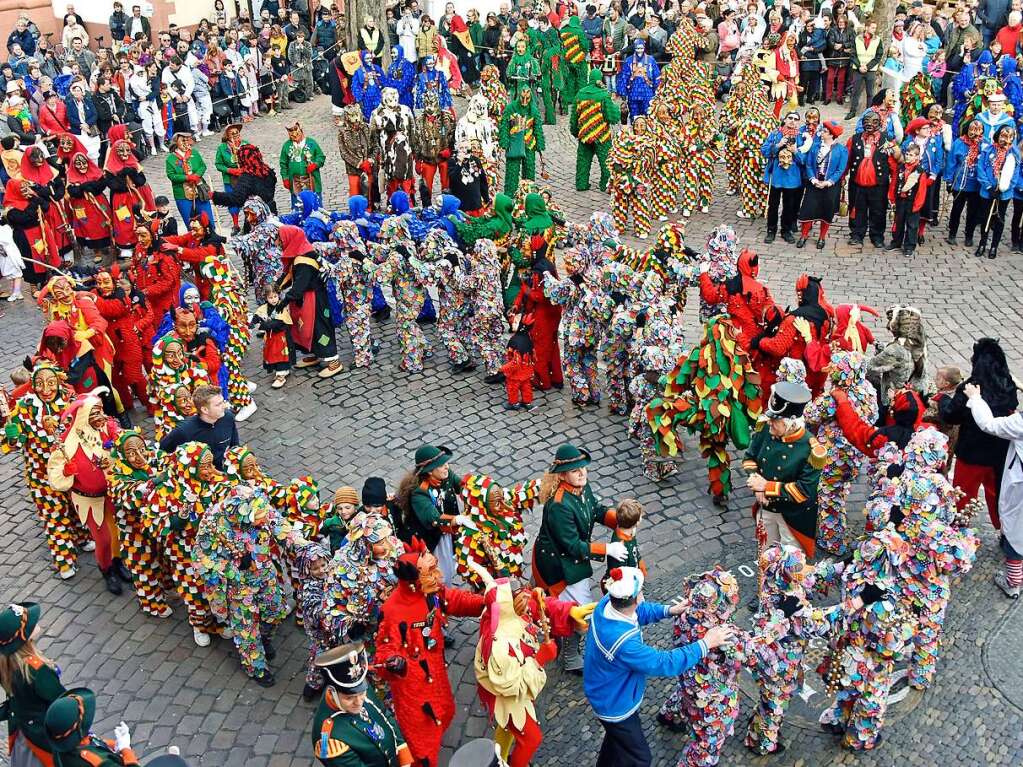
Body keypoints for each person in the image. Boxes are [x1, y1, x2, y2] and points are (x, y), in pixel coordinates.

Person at [583, 566, 735, 767]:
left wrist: (668, 610)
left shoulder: (607, 604)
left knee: (616, 744)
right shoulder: (624, 643)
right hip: (615, 705)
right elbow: (664, 663)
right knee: (639, 758)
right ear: (637, 597)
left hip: (605, 691)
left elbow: (638, 611)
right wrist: (705, 643)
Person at [374, 539, 485, 767]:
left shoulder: (430, 593)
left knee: (444, 712)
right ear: (413, 580)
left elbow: (454, 600)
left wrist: (484, 603)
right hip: (413, 686)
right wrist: (393, 663)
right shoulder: (392, 611)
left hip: (434, 669)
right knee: (422, 742)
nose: (438, 575)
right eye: (431, 571)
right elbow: (383, 652)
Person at [532, 444, 623, 672]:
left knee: (568, 610)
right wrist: (607, 549)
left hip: (571, 560)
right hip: (559, 566)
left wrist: (619, 520)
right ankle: (571, 658)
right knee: (580, 612)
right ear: (563, 475)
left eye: (583, 468)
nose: (582, 473)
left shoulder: (582, 487)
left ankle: (556, 635)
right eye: (575, 470)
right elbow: (573, 546)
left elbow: (595, 510)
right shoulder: (560, 505)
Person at [743, 380, 826, 559]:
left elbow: (803, 492)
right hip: (765, 508)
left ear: (791, 423)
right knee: (764, 556)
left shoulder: (812, 449)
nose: (770, 424)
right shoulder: (766, 429)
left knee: (791, 565)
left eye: (775, 421)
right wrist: (756, 483)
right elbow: (749, 458)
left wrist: (766, 487)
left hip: (793, 517)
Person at [311, 643, 414, 766]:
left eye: (362, 694)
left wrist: (404, 758)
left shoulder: (358, 688)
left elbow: (385, 715)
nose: (359, 701)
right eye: (349, 698)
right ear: (332, 692)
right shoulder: (330, 742)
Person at [0, 602, 66, 767]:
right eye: (31, 624)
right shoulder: (37, 670)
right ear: (25, 637)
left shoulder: (7, 665)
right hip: (45, 736)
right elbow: (61, 703)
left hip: (25, 733)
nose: (36, 622)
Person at [277, 225, 341, 377]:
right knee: (307, 329)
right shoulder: (301, 251)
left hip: (315, 301)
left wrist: (284, 301)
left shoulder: (304, 260)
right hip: (307, 299)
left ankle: (333, 362)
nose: (278, 243)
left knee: (319, 329)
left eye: (280, 239)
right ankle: (315, 354)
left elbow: (299, 286)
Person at [158, 384, 239, 469]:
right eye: (218, 404)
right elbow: (162, 451)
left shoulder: (228, 417)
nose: (224, 406)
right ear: (204, 410)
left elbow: (235, 447)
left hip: (225, 472)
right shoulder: (183, 431)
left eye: (223, 401)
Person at [974, 123, 1018, 259]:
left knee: (999, 218)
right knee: (985, 216)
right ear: (998, 136)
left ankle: (994, 246)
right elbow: (980, 169)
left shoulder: (1014, 154)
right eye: (1004, 136)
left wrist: (1005, 188)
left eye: (1010, 137)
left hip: (1003, 194)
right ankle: (982, 242)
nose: (1006, 140)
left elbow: (1014, 176)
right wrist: (988, 186)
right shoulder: (988, 150)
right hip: (988, 191)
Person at [761, 111, 806, 244]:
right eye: (790, 118)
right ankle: (771, 230)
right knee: (773, 205)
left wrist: (795, 151)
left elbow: (805, 160)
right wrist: (779, 145)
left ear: (798, 122)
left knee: (789, 206)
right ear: (785, 120)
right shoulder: (775, 134)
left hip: (792, 179)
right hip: (776, 178)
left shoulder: (802, 138)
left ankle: (786, 230)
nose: (792, 121)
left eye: (796, 119)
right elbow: (764, 151)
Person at [572, 69, 620, 192]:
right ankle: (605, 184)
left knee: (583, 160)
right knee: (605, 160)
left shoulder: (580, 94)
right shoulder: (603, 95)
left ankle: (581, 184)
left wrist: (575, 132)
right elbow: (612, 117)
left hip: (584, 134)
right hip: (601, 135)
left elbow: (574, 117)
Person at [279, 120, 325, 204]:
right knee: (298, 209)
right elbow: (283, 164)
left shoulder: (311, 143)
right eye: (290, 132)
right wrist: (285, 178)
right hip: (295, 182)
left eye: (295, 130)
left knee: (315, 207)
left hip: (312, 181)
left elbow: (321, 157)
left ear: (301, 130)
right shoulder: (286, 145)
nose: (293, 134)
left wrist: (315, 165)